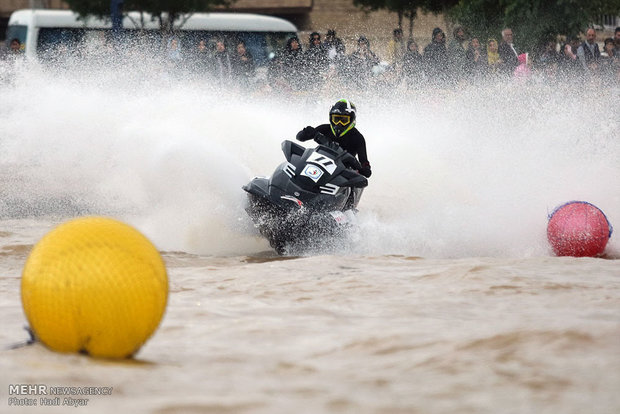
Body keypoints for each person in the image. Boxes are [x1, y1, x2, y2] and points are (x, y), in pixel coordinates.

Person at [296, 99, 372, 179]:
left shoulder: (357, 137)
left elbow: (364, 161)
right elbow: (299, 137)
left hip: (343, 173)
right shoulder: (324, 128)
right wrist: (306, 132)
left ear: (352, 120)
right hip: (320, 166)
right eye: (336, 119)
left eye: (344, 120)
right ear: (331, 119)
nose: (339, 124)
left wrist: (365, 169)